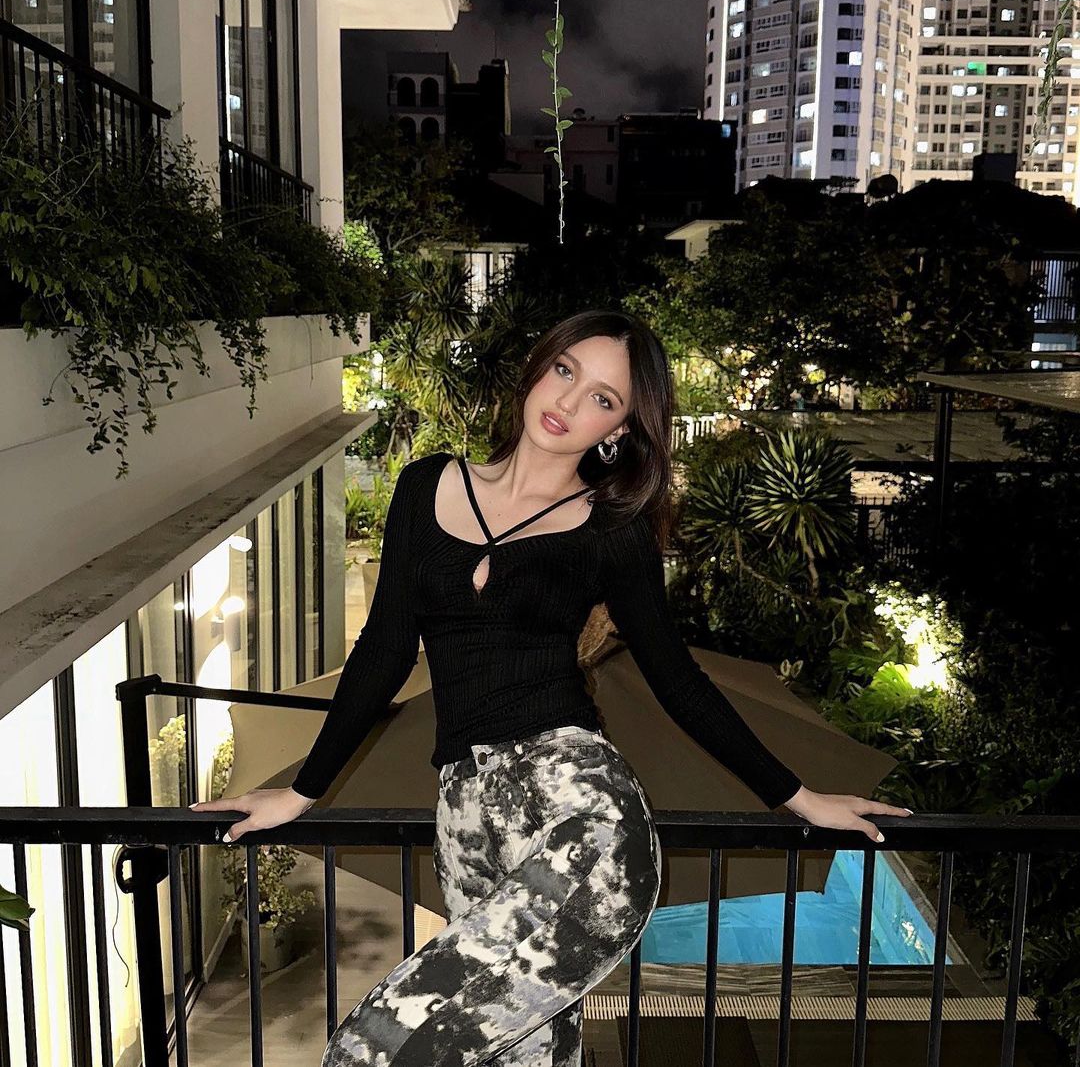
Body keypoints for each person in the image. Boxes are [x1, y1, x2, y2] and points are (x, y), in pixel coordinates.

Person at [191, 309, 912, 1066]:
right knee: (526, 1053)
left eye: (602, 397)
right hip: (462, 816)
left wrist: (800, 799)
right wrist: (302, 791)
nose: (569, 400)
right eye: (566, 370)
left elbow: (679, 681)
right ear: (538, 368)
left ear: (619, 430)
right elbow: (383, 651)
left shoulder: (611, 529)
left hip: (579, 808)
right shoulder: (425, 483)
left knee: (377, 1046)